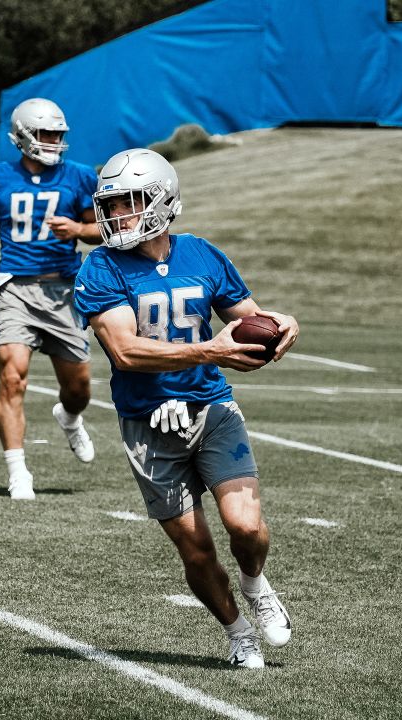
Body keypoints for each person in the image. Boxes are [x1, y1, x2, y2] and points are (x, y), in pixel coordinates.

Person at [73, 148, 299, 669]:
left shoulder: (201, 253)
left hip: (210, 407)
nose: (115, 215)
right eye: (111, 204)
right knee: (196, 549)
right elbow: (126, 350)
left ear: (161, 201)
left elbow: (250, 319)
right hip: (147, 422)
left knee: (245, 527)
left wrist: (285, 324)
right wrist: (211, 351)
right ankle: (238, 632)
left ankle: (256, 584)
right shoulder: (100, 267)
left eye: (129, 202)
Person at [0, 98, 101, 500]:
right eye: (47, 134)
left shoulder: (79, 177)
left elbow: (101, 231)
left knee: (78, 389)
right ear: (23, 136)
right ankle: (18, 470)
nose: (55, 142)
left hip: (64, 291)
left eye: (59, 135)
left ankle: (70, 419)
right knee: (12, 375)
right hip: (15, 290)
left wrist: (76, 228)